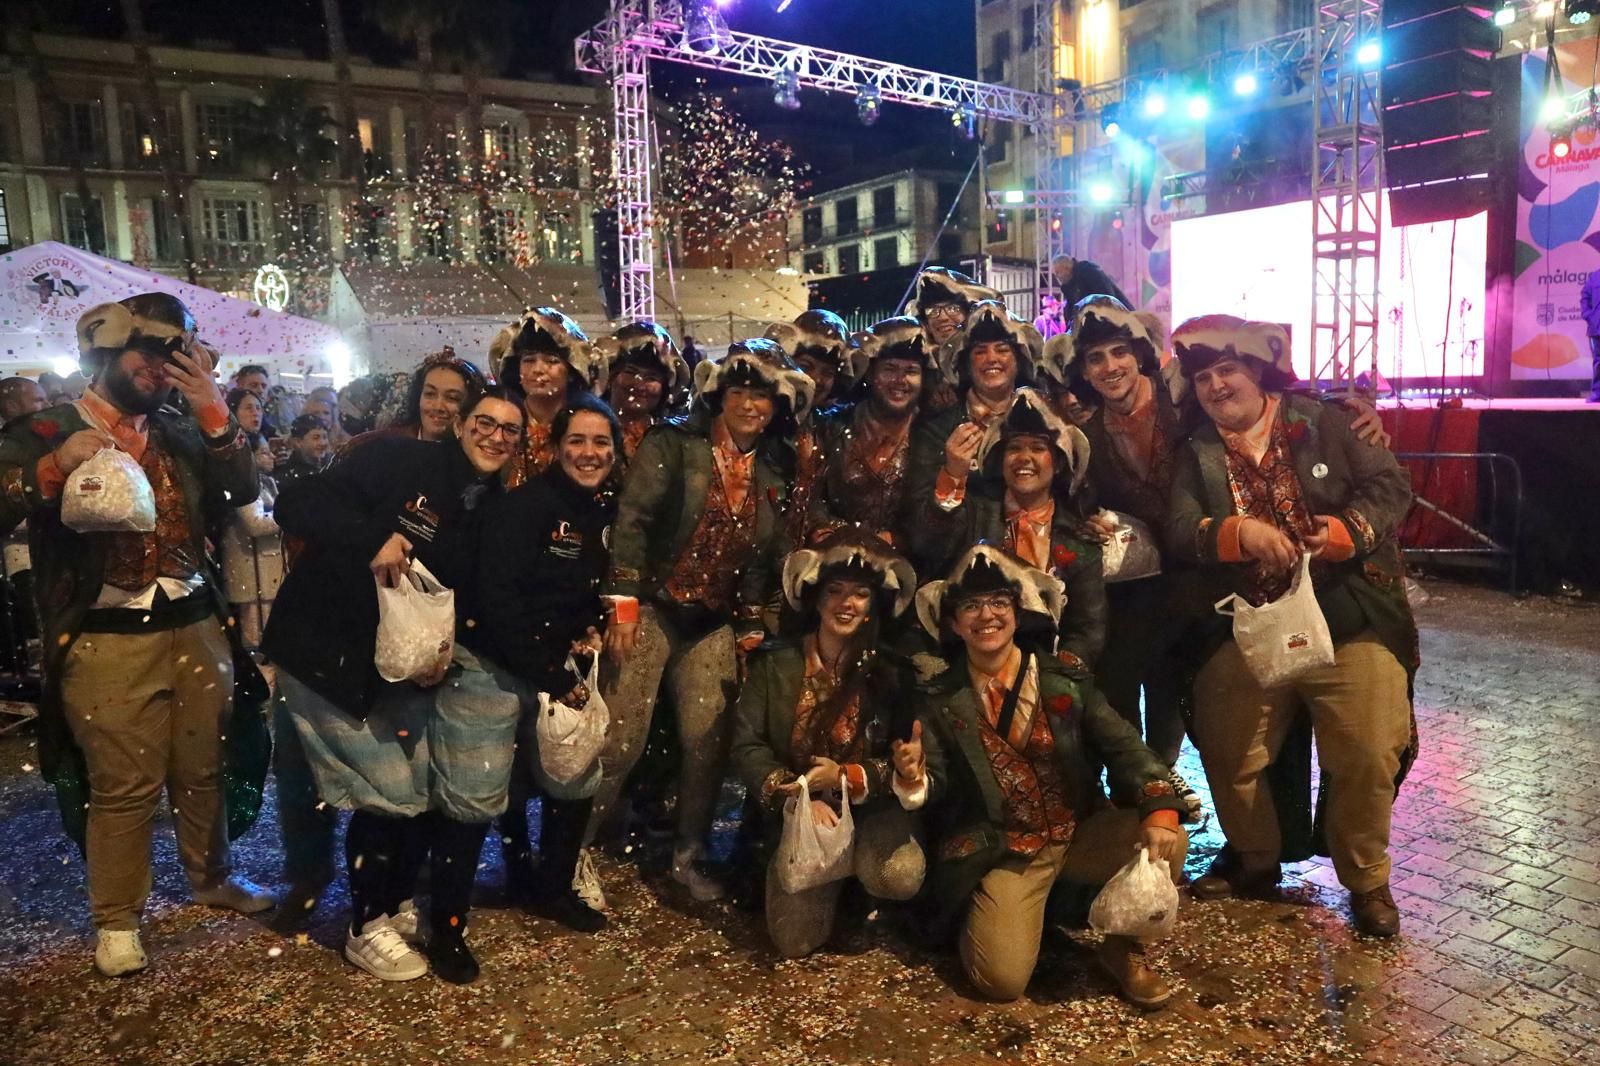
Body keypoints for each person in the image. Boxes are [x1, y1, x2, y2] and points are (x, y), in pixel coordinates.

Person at [0, 296, 271, 977]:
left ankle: (211, 879)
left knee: (202, 765)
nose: (158, 369)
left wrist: (214, 409)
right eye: (145, 353)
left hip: (195, 621)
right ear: (102, 352)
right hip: (103, 634)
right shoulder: (44, 429)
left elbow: (242, 491)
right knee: (124, 783)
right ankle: (117, 917)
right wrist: (55, 465)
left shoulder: (182, 427)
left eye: (171, 355)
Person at [1163, 314, 1418, 938]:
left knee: (1366, 745)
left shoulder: (1328, 421)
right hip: (1252, 626)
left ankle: (1366, 878)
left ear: (1256, 372)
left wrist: (1344, 533)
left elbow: (1391, 486)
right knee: (1225, 742)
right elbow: (1178, 528)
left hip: (1349, 618)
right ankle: (1255, 856)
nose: (1217, 386)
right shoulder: (1196, 451)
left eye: (1228, 371)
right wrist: (1236, 534)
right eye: (1203, 378)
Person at [263, 389, 522, 983]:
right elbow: (297, 503)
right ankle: (366, 924)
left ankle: (392, 899)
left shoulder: (487, 503)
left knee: (413, 792)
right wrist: (369, 539)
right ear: (460, 425)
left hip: (399, 664)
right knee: (385, 792)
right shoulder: (399, 461)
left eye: (510, 431)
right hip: (329, 649)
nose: (495, 437)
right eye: (485, 422)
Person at [903, 545, 1188, 1007]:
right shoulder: (939, 697)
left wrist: (1158, 803)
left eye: (999, 602)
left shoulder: (1064, 679)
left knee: (1169, 839)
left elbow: (1123, 745)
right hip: (1007, 850)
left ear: (1018, 613)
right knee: (1000, 982)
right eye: (970, 606)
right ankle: (1003, 916)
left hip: (1078, 831)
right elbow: (933, 781)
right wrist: (914, 779)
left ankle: (1121, 949)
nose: (986, 615)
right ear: (954, 624)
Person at [590, 338, 814, 904]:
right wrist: (623, 603)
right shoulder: (674, 444)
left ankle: (689, 855)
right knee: (619, 739)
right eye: (739, 392)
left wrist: (749, 623)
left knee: (708, 742)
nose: (749, 405)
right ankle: (576, 847)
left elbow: (763, 559)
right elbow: (633, 522)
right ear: (719, 396)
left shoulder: (774, 469)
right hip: (654, 606)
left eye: (762, 397)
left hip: (711, 619)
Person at [731, 533, 925, 958]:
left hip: (867, 810)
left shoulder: (891, 673)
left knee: (899, 874)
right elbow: (746, 745)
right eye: (834, 591)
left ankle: (858, 886)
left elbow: (897, 757)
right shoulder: (776, 664)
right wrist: (796, 794)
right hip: (799, 816)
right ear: (816, 599)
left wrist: (848, 778)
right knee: (794, 942)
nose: (846, 603)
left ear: (873, 604)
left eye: (860, 594)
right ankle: (822, 878)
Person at [478, 394, 623, 933]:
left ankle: (554, 886)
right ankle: (520, 873)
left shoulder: (606, 507)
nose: (589, 453)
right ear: (557, 448)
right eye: (577, 441)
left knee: (576, 772)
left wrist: (592, 623)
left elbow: (582, 585)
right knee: (512, 777)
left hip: (562, 656)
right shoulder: (527, 507)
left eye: (600, 442)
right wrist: (549, 670)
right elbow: (500, 597)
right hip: (510, 659)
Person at [1050, 297, 1192, 777]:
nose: (1110, 366)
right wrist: (1087, 517)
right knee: (1128, 675)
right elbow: (1079, 496)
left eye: (1118, 352)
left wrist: (1352, 406)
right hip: (1139, 583)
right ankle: (1144, 783)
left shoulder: (1185, 402)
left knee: (1182, 687)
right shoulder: (1086, 432)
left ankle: (1168, 768)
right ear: (1084, 372)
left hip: (1203, 573)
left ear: (1139, 354)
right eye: (1096, 358)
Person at [918, 389, 1106, 671]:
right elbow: (930, 546)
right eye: (1015, 447)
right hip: (969, 667)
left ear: (1057, 464)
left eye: (1038, 448)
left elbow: (1088, 629)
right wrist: (952, 475)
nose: (1024, 458)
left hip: (1046, 673)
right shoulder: (973, 514)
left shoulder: (1080, 535)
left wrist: (1058, 679)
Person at [904, 300, 1046, 574]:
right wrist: (952, 476)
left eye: (1003, 350)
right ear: (967, 363)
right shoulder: (936, 430)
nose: (992, 359)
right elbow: (922, 538)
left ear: (1019, 360)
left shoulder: (1046, 420)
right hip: (965, 576)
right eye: (980, 352)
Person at [804, 317, 934, 548]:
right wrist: (822, 527)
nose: (900, 380)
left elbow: (935, 514)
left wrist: (900, 540)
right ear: (871, 375)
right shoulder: (831, 426)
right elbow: (810, 493)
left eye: (911, 371)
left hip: (908, 568)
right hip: (834, 559)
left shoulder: (932, 435)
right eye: (890, 369)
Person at [765, 309, 856, 549]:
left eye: (828, 372)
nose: (815, 379)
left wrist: (820, 526)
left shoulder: (821, 425)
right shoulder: (762, 421)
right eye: (806, 366)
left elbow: (813, 497)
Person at [491, 307, 598, 487]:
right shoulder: (500, 424)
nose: (538, 370)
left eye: (552, 361)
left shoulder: (588, 425)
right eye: (528, 360)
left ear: (571, 371)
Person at [221, 390, 284, 650]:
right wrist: (291, 515)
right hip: (251, 571)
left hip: (268, 572)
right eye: (248, 408)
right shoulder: (238, 473)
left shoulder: (265, 477)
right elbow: (255, 523)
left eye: (258, 407)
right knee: (258, 644)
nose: (255, 413)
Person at [346, 349, 487, 449]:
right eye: (430, 394)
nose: (438, 406)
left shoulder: (480, 455)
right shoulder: (382, 446)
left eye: (452, 398)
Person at [594, 321, 691, 464]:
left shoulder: (674, 442)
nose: (640, 385)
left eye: (651, 378)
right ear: (609, 377)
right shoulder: (585, 431)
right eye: (631, 372)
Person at [1051, 254, 1130, 312]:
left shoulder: (1088, 271)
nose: (1057, 276)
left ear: (1066, 268)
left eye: (1058, 272)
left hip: (1119, 322)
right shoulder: (1069, 287)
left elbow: (1106, 296)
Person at [276, 414, 331, 486]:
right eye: (316, 438)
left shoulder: (331, 465)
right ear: (298, 442)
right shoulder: (289, 477)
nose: (323, 443)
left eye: (325, 437)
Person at [1582, 267, 1600, 403]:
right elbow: (1585, 297)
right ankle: (1597, 392)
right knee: (1598, 362)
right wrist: (1588, 315)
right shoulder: (1594, 277)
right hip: (1596, 327)